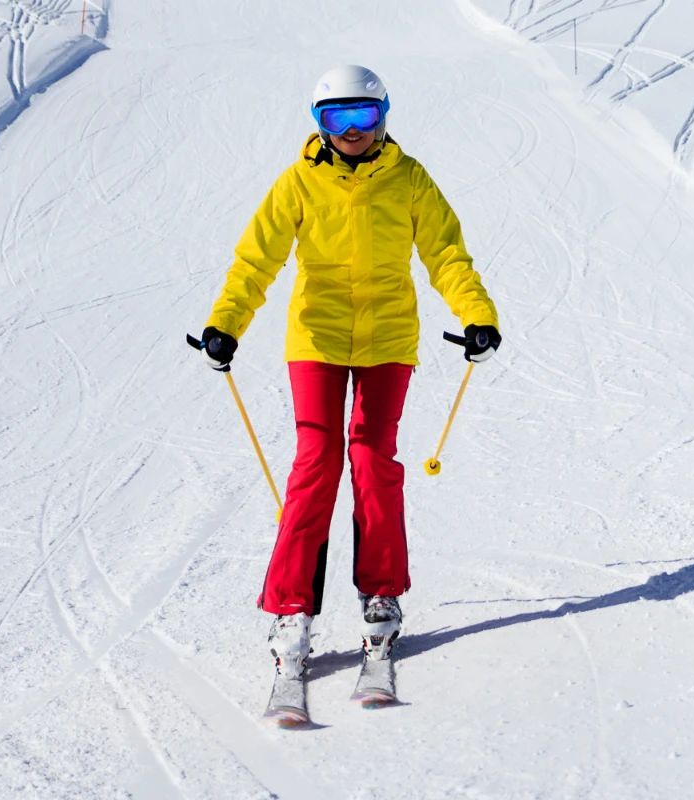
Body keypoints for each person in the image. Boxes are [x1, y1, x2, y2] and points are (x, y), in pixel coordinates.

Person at [196, 65, 500, 679]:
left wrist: (477, 314)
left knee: (371, 457)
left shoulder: (410, 180)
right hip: (318, 337)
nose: (352, 131)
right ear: (319, 123)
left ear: (384, 115)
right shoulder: (299, 183)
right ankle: (291, 608)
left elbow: (445, 253)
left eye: (362, 116)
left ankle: (381, 595)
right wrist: (226, 321)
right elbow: (256, 259)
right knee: (317, 459)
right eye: (337, 119)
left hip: (388, 338)